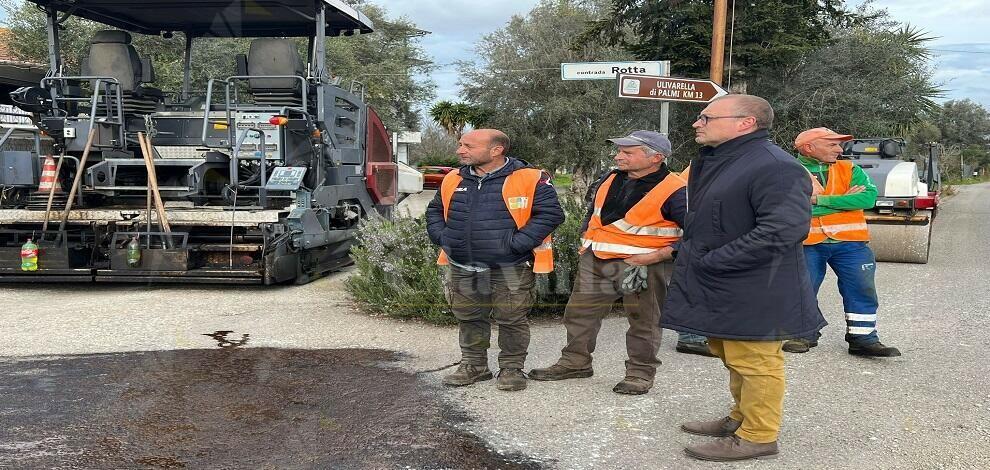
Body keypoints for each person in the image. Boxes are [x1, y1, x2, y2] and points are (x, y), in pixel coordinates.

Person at [660, 95, 826, 461]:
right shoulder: (720, 161)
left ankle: (758, 435)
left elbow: (783, 230)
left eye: (706, 117)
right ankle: (741, 417)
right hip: (727, 282)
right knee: (732, 352)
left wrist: (715, 260)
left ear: (745, 123)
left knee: (756, 360)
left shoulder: (773, 166)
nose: (696, 123)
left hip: (757, 285)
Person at [528, 130, 687, 395]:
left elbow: (699, 234)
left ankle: (639, 374)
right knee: (579, 314)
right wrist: (585, 240)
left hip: (644, 265)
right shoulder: (610, 177)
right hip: (596, 259)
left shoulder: (676, 190)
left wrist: (660, 256)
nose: (618, 156)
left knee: (644, 321)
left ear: (656, 157)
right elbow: (594, 213)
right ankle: (575, 362)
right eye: (619, 151)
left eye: (627, 152)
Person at [426, 129, 564, 392]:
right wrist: (445, 238)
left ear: (496, 150)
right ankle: (474, 366)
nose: (460, 150)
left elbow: (550, 214)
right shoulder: (453, 178)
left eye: (468, 145)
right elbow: (435, 210)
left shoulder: (531, 178)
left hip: (510, 266)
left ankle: (511, 368)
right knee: (468, 316)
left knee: (511, 318)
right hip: (462, 265)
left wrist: (514, 245)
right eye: (460, 144)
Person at [783, 128, 901, 357]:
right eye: (832, 144)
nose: (840, 149)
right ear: (809, 147)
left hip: (851, 244)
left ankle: (863, 339)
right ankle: (803, 334)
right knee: (802, 289)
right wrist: (845, 201)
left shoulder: (849, 168)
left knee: (862, 288)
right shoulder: (787, 172)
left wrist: (818, 200)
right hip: (806, 242)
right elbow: (789, 206)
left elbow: (867, 198)